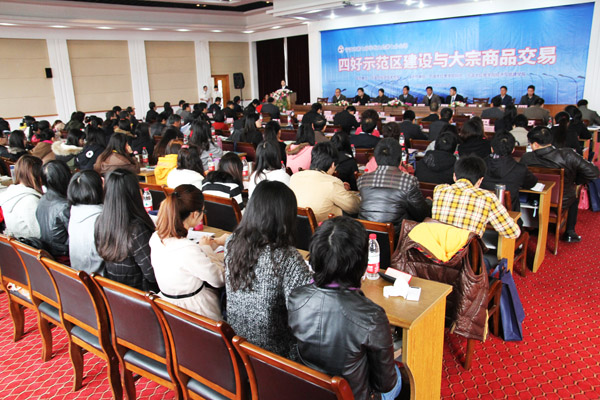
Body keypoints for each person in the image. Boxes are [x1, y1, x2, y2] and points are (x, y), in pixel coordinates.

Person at [288, 216, 401, 400]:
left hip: (310, 392)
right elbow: (385, 384)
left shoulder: (296, 298)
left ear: (315, 257)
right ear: (362, 262)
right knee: (400, 375)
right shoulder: (372, 316)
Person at [224, 180, 312, 359]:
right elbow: (307, 308)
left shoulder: (232, 242)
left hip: (238, 345)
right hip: (275, 356)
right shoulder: (286, 257)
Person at [150, 185, 227, 321]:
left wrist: (205, 247)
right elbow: (219, 280)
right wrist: (207, 249)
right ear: (195, 214)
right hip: (193, 310)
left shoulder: (156, 237)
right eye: (203, 211)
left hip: (166, 305)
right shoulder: (187, 249)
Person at [521, 127, 599, 241]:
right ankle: (570, 232)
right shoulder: (567, 154)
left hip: (535, 198)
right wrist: (577, 181)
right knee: (574, 197)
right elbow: (593, 173)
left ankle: (537, 225)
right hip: (562, 200)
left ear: (535, 144)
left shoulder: (526, 158)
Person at [95, 169, 158, 292]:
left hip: (116, 291)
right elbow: (152, 275)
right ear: (133, 194)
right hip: (140, 294)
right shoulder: (136, 229)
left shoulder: (100, 221)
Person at [432, 155, 520, 239]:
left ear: (454, 176)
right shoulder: (488, 198)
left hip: (436, 247)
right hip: (465, 249)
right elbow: (513, 233)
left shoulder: (439, 190)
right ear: (480, 181)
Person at [359, 138, 430, 233]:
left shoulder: (362, 180)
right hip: (396, 235)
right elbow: (421, 215)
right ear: (400, 159)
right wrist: (429, 202)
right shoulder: (409, 181)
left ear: (376, 158)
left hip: (365, 233)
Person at [290, 142, 360, 222]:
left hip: (297, 226)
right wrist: (348, 193)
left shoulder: (295, 177)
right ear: (333, 164)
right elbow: (354, 207)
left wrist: (341, 190)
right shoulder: (332, 183)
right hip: (327, 226)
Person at [481, 131, 538, 211]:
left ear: (492, 149)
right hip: (510, 215)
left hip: (483, 213)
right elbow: (532, 183)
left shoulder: (478, 166)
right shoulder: (520, 169)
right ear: (513, 150)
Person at [67, 170, 105, 275]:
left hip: (79, 274)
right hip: (99, 278)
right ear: (97, 189)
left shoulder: (75, 212)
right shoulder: (100, 218)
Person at [0, 155, 43, 239]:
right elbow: (39, 233)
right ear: (37, 175)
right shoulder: (30, 200)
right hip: (31, 243)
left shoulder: (9, 193)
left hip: (17, 242)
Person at [36, 160, 71, 260]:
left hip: (49, 251)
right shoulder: (64, 206)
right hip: (62, 254)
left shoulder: (42, 199)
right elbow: (75, 238)